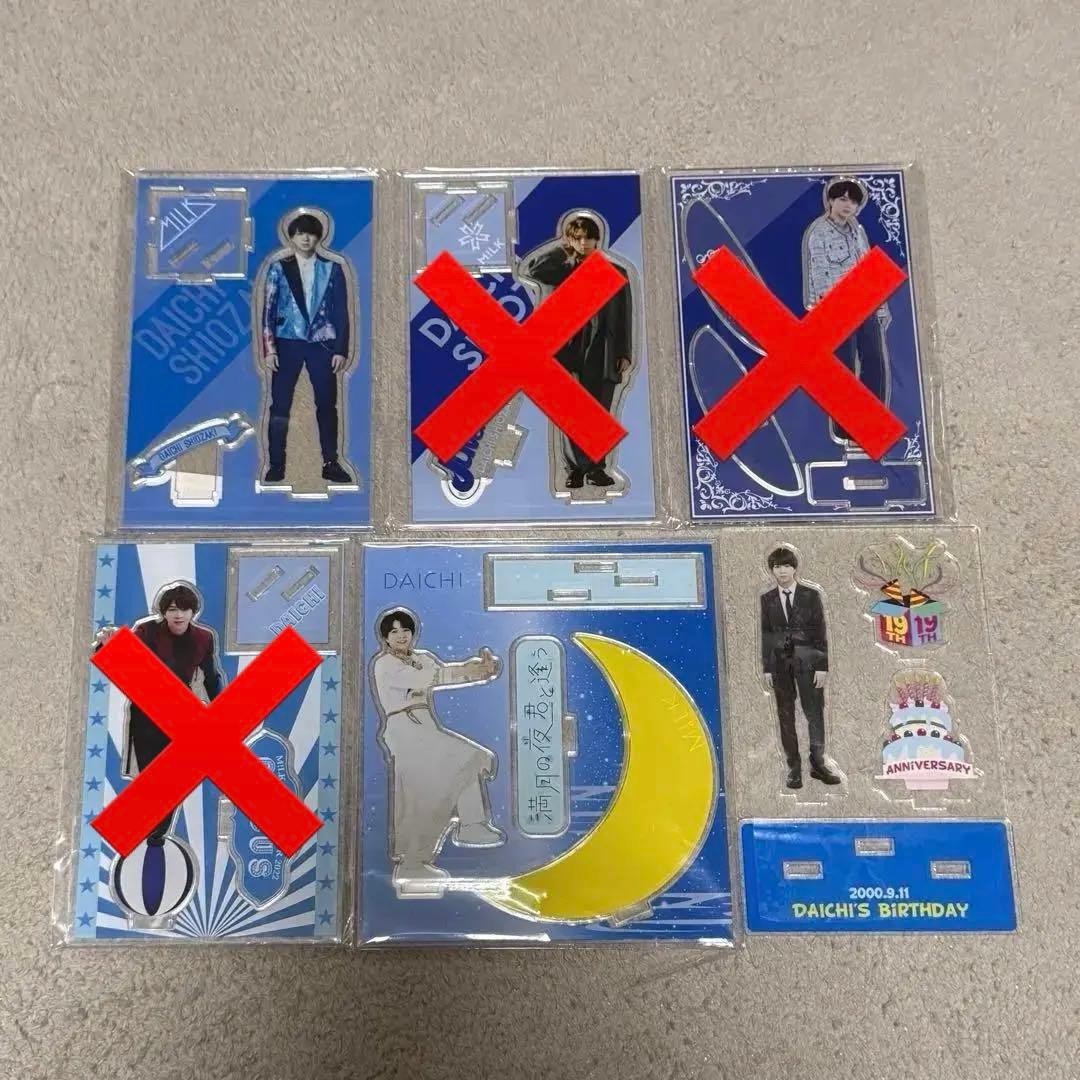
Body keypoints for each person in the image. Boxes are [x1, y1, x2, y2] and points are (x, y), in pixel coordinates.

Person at [370, 609, 504, 896]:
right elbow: (427, 678)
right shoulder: (384, 664)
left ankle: (471, 825)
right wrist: (467, 668)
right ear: (385, 638)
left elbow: (445, 674)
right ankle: (417, 859)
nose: (401, 635)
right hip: (403, 729)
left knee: (460, 767)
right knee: (448, 772)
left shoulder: (423, 659)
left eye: (405, 630)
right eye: (394, 631)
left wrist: (479, 670)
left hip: (425, 726)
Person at [95, 583, 224, 844]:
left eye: (184, 609)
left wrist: (222, 714)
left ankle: (156, 832)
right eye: (173, 609)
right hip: (146, 715)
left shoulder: (204, 638)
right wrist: (106, 644)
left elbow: (212, 677)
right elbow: (117, 656)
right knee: (151, 778)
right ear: (164, 612)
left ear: (193, 612)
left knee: (174, 779)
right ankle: (144, 828)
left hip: (183, 717)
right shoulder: (147, 630)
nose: (179, 615)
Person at [518, 213, 633, 491]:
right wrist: (562, 248)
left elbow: (624, 316)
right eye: (578, 238)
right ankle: (575, 470)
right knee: (571, 411)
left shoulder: (616, 272)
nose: (584, 243)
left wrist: (624, 352)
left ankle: (596, 467)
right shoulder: (563, 268)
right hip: (569, 350)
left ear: (597, 239)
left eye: (588, 238)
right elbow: (530, 269)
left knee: (599, 412)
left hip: (604, 351)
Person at [259, 210, 354, 485]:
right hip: (286, 343)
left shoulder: (333, 268)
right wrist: (269, 349)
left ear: (319, 237)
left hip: (323, 344)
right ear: (291, 236)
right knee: (280, 405)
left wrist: (341, 349)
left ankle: (330, 462)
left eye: (311, 234)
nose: (305, 239)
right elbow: (268, 310)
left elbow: (342, 312)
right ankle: (276, 464)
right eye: (300, 233)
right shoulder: (278, 268)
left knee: (327, 405)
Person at [802, 177, 891, 440]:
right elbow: (818, 275)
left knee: (875, 361)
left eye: (852, 202)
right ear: (830, 201)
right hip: (837, 309)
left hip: (865, 305)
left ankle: (873, 420)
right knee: (843, 369)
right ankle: (845, 428)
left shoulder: (858, 231)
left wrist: (881, 308)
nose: (847, 205)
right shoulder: (819, 232)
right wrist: (825, 315)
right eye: (842, 199)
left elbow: (869, 270)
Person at [760, 547, 842, 789]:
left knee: (814, 713)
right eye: (777, 567)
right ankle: (794, 768)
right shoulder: (767, 599)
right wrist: (767, 668)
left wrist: (822, 666)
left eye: (786, 566)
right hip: (779, 666)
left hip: (808, 664)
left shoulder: (810, 595)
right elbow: (766, 634)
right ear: (772, 570)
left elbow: (820, 631)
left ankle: (818, 763)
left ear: (795, 568)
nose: (782, 571)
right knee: (785, 716)